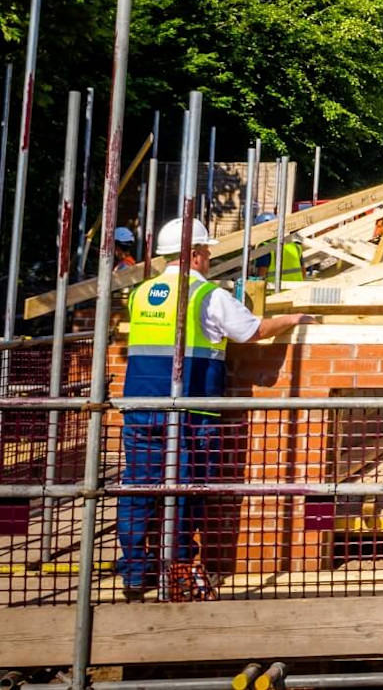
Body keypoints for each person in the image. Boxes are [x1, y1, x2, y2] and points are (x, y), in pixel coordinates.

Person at [116, 216, 315, 602]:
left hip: (139, 410)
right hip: (190, 412)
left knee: (137, 493)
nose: (208, 258)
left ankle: (135, 575)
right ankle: (178, 575)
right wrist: (292, 318)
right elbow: (251, 331)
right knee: (185, 494)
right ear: (194, 254)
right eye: (206, 252)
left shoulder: (140, 293)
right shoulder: (207, 295)